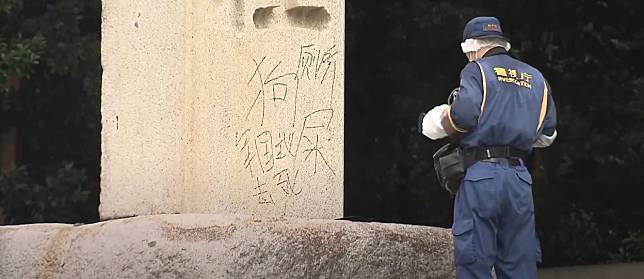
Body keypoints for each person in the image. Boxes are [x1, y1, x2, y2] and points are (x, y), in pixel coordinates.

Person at [420, 16, 557, 279]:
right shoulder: (536, 78)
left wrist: (433, 122)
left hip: (482, 176)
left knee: (474, 260)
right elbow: (547, 134)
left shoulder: (477, 70)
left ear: (471, 47)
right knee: (520, 262)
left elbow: (463, 117)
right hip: (519, 179)